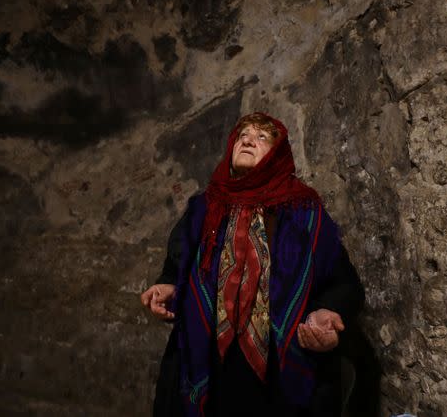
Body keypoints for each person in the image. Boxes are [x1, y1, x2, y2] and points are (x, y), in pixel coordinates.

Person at [141, 112, 362, 417]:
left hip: (278, 372)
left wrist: (327, 311)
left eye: (261, 137)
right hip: (208, 364)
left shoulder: (304, 212)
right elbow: (178, 264)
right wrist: (168, 286)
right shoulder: (203, 208)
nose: (247, 140)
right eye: (242, 135)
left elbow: (343, 282)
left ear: (279, 155)